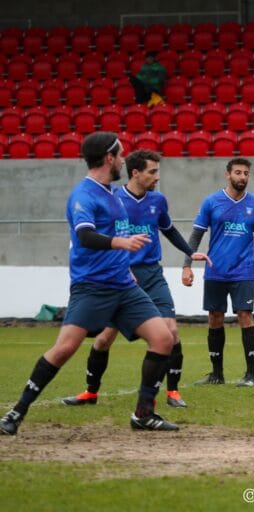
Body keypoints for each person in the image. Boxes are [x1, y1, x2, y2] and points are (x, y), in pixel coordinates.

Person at [0, 132, 180, 435]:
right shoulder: (84, 195)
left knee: (164, 338)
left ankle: (143, 414)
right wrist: (121, 244)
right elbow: (85, 235)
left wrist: (126, 267)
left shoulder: (111, 193)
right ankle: (16, 412)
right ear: (109, 158)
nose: (124, 159)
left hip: (124, 285)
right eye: (120, 154)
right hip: (92, 287)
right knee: (64, 349)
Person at [61, 149, 212, 409]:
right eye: (152, 171)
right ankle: (90, 392)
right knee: (104, 339)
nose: (157, 177)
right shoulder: (114, 199)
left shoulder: (158, 201)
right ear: (135, 173)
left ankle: (173, 392)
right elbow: (92, 236)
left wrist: (190, 252)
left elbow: (168, 229)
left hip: (152, 274)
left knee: (171, 332)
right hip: (121, 277)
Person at [182, 158, 254, 387]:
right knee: (215, 318)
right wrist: (187, 265)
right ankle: (216, 374)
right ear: (228, 175)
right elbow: (196, 236)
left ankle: (250, 375)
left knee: (245, 316)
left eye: (246, 173)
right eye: (238, 172)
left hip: (243, 272)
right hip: (215, 270)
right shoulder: (211, 202)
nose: (242, 177)